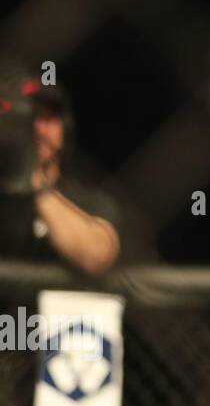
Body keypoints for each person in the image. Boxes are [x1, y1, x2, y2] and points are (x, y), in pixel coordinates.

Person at [0, 69, 121, 277]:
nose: (37, 130)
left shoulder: (89, 200)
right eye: (29, 121)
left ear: (64, 130)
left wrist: (36, 187)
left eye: (47, 119)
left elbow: (96, 257)